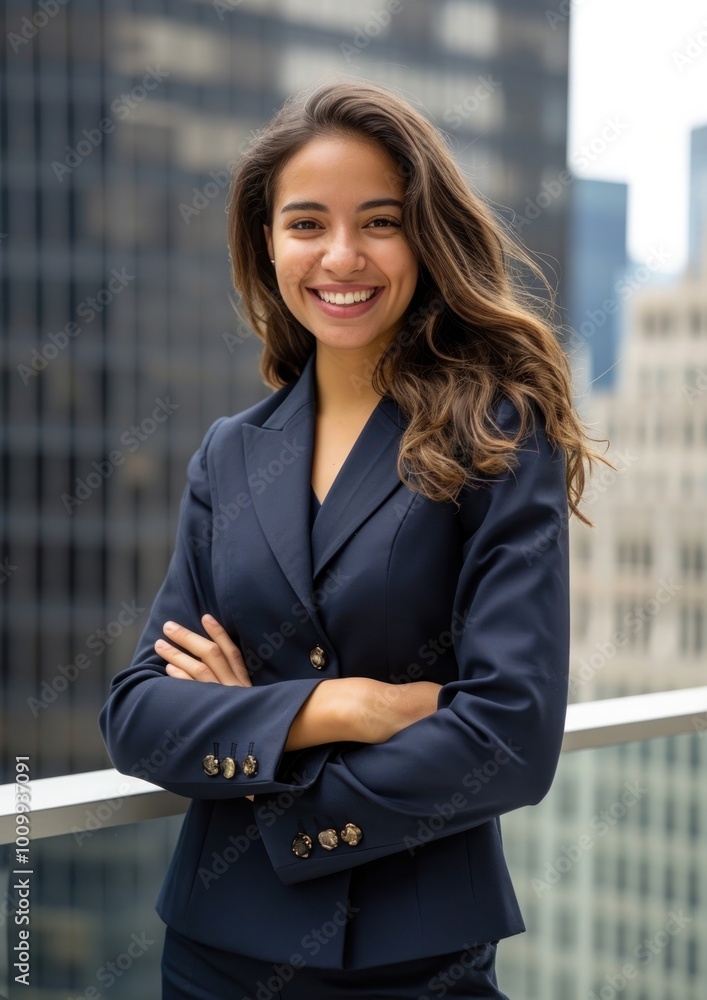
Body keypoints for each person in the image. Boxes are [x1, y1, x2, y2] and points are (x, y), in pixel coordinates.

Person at [99, 79, 602, 999]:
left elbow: (510, 735)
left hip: (412, 963)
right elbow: (137, 715)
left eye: (379, 221)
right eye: (304, 224)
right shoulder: (230, 454)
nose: (340, 256)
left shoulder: (494, 434)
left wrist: (269, 779)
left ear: (425, 236)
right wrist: (343, 710)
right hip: (213, 956)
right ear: (265, 241)